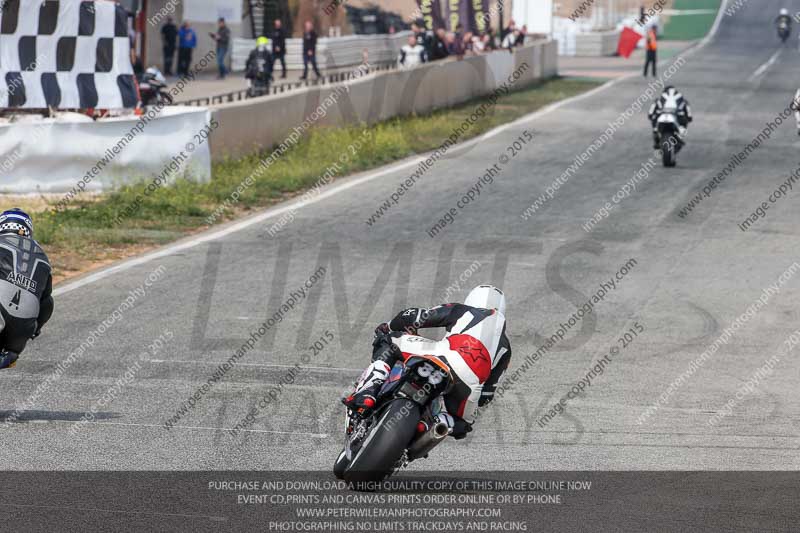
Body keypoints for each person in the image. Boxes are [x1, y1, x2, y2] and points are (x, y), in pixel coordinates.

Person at [343, 286, 512, 439]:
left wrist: (388, 327)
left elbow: (414, 317)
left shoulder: (464, 310)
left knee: (388, 341)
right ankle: (431, 425)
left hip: (443, 355)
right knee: (462, 425)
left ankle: (368, 392)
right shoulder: (505, 347)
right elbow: (486, 396)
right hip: (469, 385)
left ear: (472, 300)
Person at [0, 209, 53, 370]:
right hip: (22, 331)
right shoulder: (44, 258)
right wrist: (35, 329)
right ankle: (10, 354)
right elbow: (47, 302)